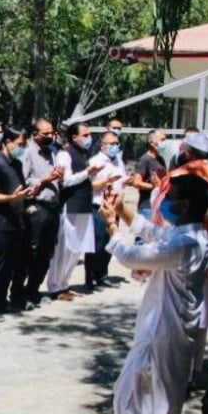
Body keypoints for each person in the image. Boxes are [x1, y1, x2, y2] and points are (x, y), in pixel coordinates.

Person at [99, 175, 208, 414]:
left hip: (162, 330)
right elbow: (155, 233)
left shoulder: (185, 243)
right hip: (173, 330)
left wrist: (112, 227)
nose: (166, 203)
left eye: (171, 197)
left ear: (184, 205)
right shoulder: (192, 235)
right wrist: (123, 212)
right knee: (163, 403)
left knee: (131, 397)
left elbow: (133, 256)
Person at [46, 123, 105, 300]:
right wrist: (88, 172)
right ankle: (55, 286)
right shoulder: (65, 154)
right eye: (85, 135)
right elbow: (67, 180)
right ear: (74, 137)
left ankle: (64, 284)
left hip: (83, 205)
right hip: (70, 205)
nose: (89, 138)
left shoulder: (84, 154)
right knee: (65, 247)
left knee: (76, 248)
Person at [0, 128, 34, 319]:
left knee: (8, 268)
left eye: (24, 145)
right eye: (19, 144)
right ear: (7, 142)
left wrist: (26, 194)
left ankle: (1, 302)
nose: (22, 148)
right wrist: (12, 197)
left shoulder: (17, 164)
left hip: (15, 223)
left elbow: (19, 189)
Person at [19, 119, 65, 306]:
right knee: (31, 252)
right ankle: (19, 294)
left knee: (46, 252)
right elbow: (25, 180)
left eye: (51, 133)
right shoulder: (28, 153)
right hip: (36, 208)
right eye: (45, 134)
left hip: (52, 208)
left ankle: (33, 290)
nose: (49, 137)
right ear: (34, 134)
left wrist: (58, 179)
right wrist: (48, 178)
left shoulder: (52, 153)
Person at [84, 129, 127, 290]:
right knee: (97, 242)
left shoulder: (118, 161)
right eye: (112, 144)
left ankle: (102, 274)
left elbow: (120, 181)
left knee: (110, 242)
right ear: (102, 145)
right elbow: (89, 185)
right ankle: (90, 277)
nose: (115, 147)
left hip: (114, 207)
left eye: (117, 143)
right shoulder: (96, 161)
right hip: (99, 206)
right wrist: (108, 181)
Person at [130, 129, 168, 217]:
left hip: (159, 206)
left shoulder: (161, 159)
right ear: (151, 142)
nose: (165, 142)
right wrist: (154, 187)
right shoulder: (145, 159)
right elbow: (136, 182)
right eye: (162, 140)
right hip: (147, 207)